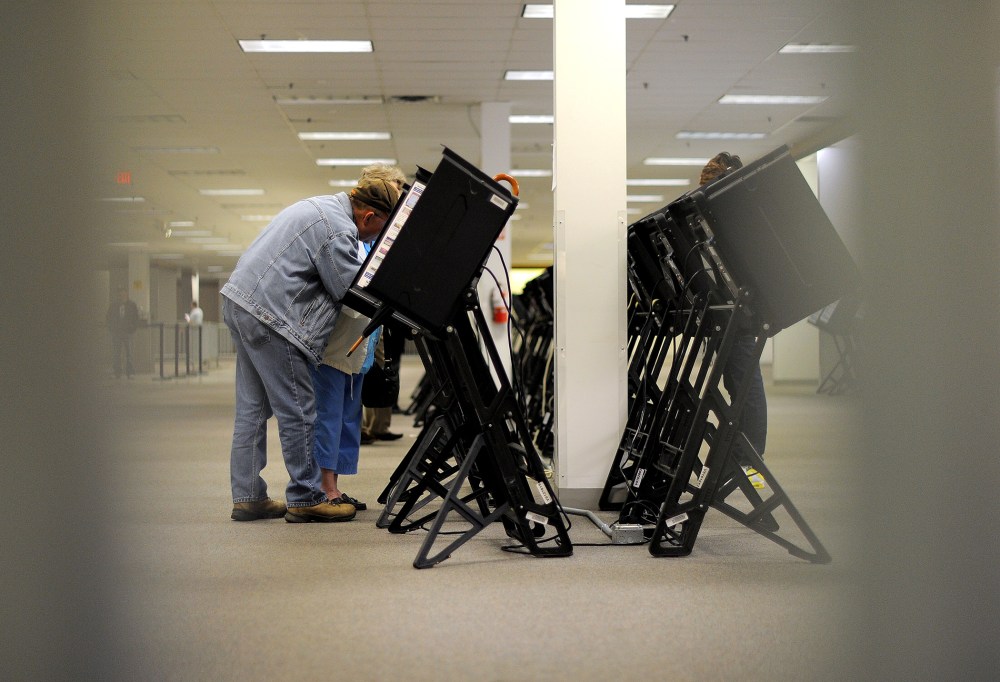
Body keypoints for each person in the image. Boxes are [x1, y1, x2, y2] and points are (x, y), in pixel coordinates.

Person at [221, 177, 399, 523]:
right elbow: (350, 294)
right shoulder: (338, 230)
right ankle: (305, 497)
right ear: (368, 217)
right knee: (299, 409)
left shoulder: (319, 206)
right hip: (271, 315)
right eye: (378, 231)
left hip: (240, 302)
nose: (373, 240)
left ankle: (248, 497)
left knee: (252, 411)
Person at [311, 163, 406, 509]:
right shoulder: (350, 234)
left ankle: (334, 486)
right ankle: (324, 488)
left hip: (361, 345)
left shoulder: (375, 237)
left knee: (348, 418)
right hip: (338, 343)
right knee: (329, 415)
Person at [699, 152, 768, 475]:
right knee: (733, 386)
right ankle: (737, 452)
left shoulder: (741, 222)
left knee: (746, 388)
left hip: (740, 318)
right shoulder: (715, 224)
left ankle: (750, 459)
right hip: (721, 317)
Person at [107, 286, 140, 379]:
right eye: (120, 294)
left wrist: (132, 329)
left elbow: (136, 318)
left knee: (129, 353)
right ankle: (117, 372)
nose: (122, 296)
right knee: (116, 353)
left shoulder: (132, 305)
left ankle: (130, 372)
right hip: (116, 333)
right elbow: (108, 318)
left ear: (127, 294)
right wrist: (112, 329)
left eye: (123, 294)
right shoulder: (113, 306)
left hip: (128, 333)